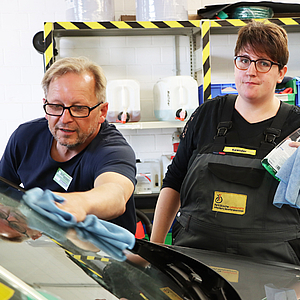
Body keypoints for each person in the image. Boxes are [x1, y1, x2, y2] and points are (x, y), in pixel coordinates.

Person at [150, 20, 300, 265]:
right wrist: (153, 251)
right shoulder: (207, 114)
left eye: (263, 63)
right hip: (198, 263)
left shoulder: (297, 127)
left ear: (281, 73)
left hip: (275, 270)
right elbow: (174, 182)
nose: (250, 71)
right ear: (235, 64)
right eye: (244, 60)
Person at [0, 56, 137, 234]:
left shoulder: (113, 150)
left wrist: (77, 204)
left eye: (79, 108)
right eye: (56, 106)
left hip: (102, 258)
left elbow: (115, 194)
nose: (65, 119)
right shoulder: (26, 137)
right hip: (45, 251)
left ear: (102, 111)